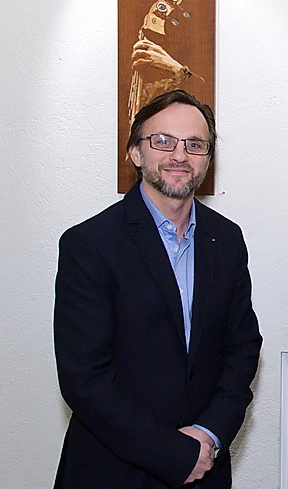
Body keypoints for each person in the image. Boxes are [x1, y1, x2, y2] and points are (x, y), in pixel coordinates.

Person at [54, 90, 262, 488]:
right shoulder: (90, 244)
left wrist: (209, 434)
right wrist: (174, 454)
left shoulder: (226, 239)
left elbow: (242, 349)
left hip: (205, 465)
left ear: (208, 158)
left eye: (195, 144)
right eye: (163, 141)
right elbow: (84, 378)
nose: (180, 155)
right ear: (135, 152)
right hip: (113, 471)